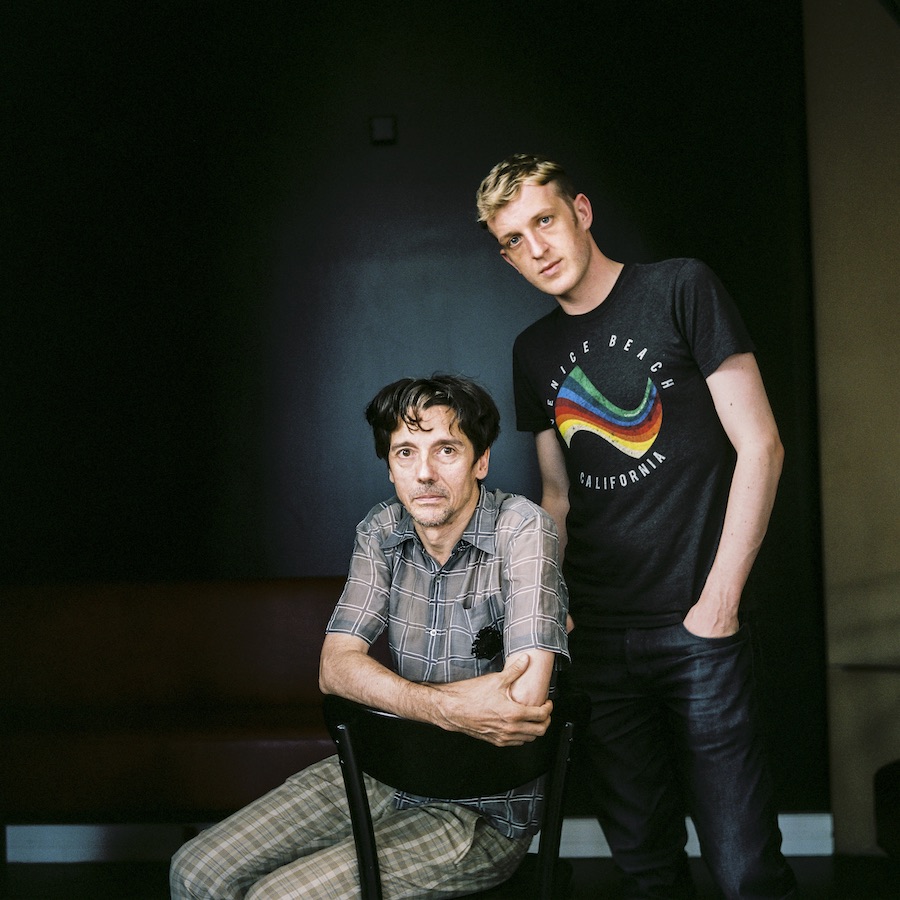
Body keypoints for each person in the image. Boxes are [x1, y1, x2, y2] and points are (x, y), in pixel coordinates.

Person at [475, 154, 797, 899]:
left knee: (746, 870)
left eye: (544, 221)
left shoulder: (681, 287)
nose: (537, 248)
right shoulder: (534, 351)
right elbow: (557, 498)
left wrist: (718, 604)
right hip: (600, 638)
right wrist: (554, 615)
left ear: (581, 211)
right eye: (515, 240)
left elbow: (762, 446)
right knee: (646, 871)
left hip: (700, 631)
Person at [170, 374, 569, 899]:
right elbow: (333, 669)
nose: (424, 473)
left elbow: (523, 702)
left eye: (446, 449)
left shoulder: (522, 528)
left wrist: (382, 697)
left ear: (481, 461)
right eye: (406, 452)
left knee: (277, 897)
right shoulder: (380, 531)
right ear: (389, 466)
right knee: (194, 869)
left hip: (484, 808)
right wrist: (448, 708)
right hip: (383, 772)